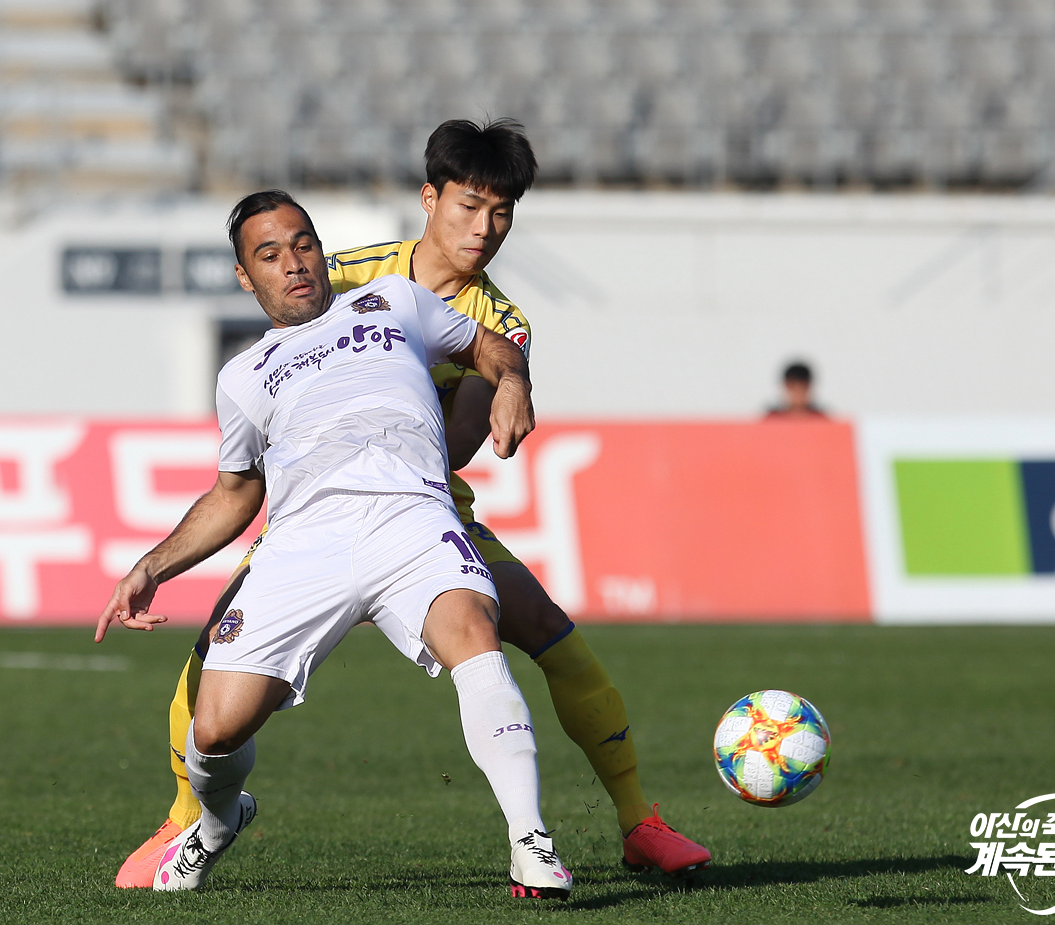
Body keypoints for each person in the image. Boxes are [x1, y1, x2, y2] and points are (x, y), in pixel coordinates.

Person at [115, 119, 709, 888]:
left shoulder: (502, 323)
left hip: (426, 505)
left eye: (502, 213)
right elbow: (282, 351)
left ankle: (634, 822)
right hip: (311, 512)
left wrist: (498, 388)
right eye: (470, 206)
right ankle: (187, 818)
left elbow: (456, 444)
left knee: (552, 637)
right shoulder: (352, 274)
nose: (484, 229)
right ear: (430, 200)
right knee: (207, 671)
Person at [97, 191, 571, 897]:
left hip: (411, 515)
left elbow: (487, 346)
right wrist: (151, 566)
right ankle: (218, 822)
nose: (293, 263)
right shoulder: (243, 376)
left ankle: (531, 842)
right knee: (214, 731)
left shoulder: (393, 301)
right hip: (301, 545)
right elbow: (235, 494)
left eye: (304, 244)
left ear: (321, 250)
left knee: (475, 634)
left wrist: (513, 380)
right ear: (244, 276)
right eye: (269, 254)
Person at [765, 361, 829, 419]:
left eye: (802, 387)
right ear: (785, 386)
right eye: (793, 387)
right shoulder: (770, 420)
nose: (798, 392)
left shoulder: (823, 421)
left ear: (809, 387)